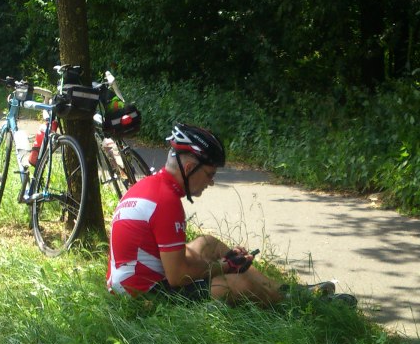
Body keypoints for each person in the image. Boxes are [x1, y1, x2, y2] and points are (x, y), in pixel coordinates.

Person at [106, 123, 350, 306]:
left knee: (208, 243)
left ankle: (285, 290)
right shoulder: (166, 202)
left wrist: (223, 263)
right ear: (190, 168)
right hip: (145, 297)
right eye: (210, 174)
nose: (210, 183)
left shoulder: (148, 187)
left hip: (132, 284)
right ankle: (297, 305)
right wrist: (224, 267)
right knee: (238, 283)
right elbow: (178, 276)